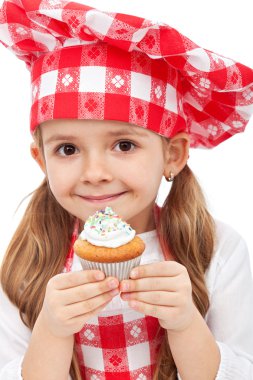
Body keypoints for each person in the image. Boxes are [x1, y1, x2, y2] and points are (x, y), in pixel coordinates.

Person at [0, 0, 253, 379]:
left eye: (124, 145)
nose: (96, 173)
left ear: (173, 154)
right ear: (41, 161)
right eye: (67, 149)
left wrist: (185, 323)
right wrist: (51, 330)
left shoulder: (215, 249)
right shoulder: (28, 261)